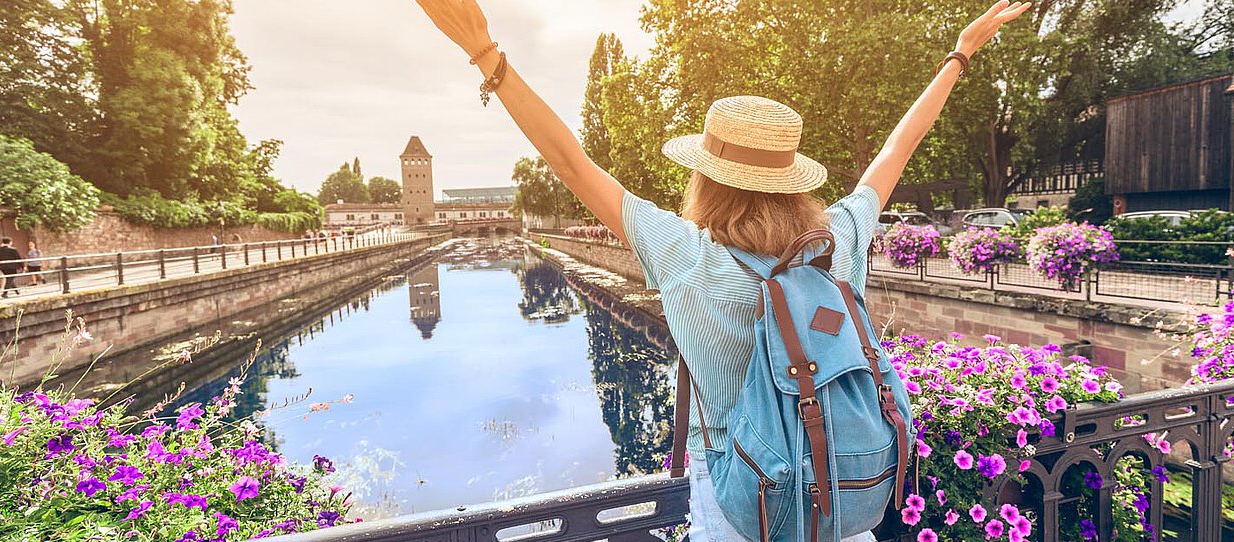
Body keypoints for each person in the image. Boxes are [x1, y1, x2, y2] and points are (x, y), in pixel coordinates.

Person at [412, 0, 1029, 539]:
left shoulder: (685, 252)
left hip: (746, 502)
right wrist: (959, 54)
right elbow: (898, 149)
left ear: (705, 176)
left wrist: (486, 54)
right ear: (791, 179)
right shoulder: (836, 241)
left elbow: (571, 163)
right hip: (839, 492)